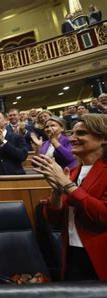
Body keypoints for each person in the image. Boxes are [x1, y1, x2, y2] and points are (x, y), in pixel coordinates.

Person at [32, 114, 107, 281]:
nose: (72, 138)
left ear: (103, 138)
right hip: (72, 254)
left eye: (81, 133)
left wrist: (68, 186)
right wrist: (58, 192)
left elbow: (103, 216)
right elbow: (53, 220)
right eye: (72, 133)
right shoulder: (71, 172)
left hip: (100, 257)